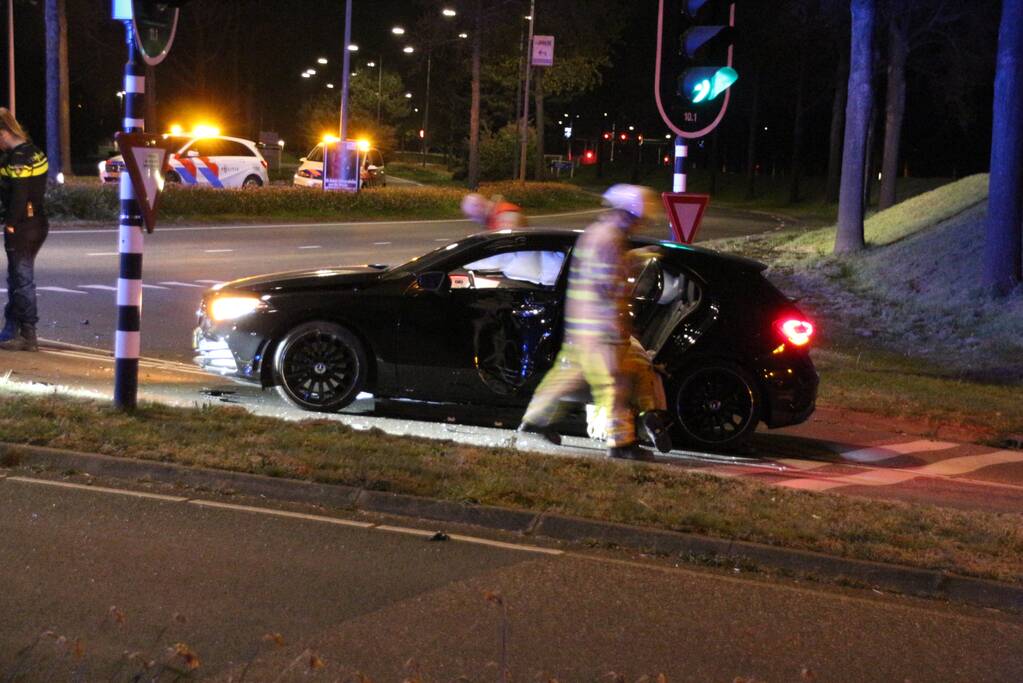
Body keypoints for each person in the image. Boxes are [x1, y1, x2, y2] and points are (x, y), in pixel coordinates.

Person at [517, 184, 672, 461]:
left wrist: (636, 258)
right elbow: (609, 285)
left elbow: (601, 273)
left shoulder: (597, 235)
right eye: (638, 218)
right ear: (627, 214)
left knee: (564, 379)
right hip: (602, 329)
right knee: (614, 386)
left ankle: (534, 420)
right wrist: (621, 323)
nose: (640, 223)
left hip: (583, 325)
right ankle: (621, 444)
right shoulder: (610, 239)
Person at [0, 108, 49, 352]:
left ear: (3, 133)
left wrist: (10, 222)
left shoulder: (18, 158)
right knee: (18, 277)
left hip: (22, 224)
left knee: (22, 279)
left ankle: (27, 333)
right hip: (38, 221)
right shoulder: (35, 152)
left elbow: (19, 195)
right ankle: (13, 327)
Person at [461, 192, 526, 230]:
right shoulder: (492, 217)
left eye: (473, 216)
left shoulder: (505, 217)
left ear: (480, 206)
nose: (474, 220)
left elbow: (507, 243)